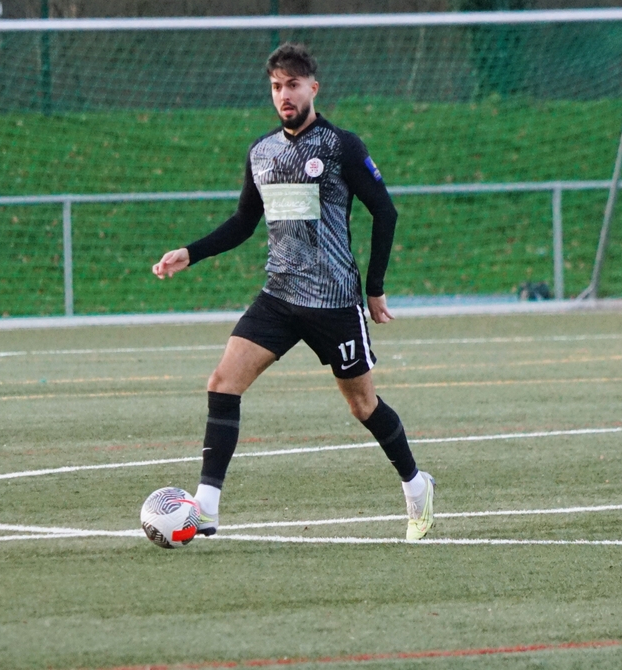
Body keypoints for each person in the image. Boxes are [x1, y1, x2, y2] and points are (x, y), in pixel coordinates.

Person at [152, 43, 434, 541]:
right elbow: (244, 222)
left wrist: (374, 289)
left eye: (293, 85)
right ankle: (207, 508)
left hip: (334, 301)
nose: (284, 95)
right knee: (222, 383)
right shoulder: (262, 153)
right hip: (279, 297)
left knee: (363, 406)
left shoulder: (341, 146)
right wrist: (190, 253)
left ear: (313, 89)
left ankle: (416, 487)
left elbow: (385, 212)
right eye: (276, 87)